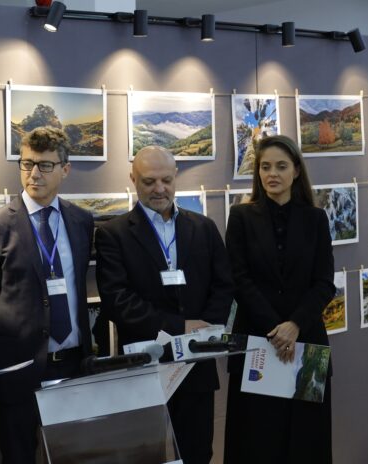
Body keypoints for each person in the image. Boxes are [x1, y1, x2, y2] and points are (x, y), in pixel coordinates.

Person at [95, 145, 233, 464]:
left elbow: (224, 285)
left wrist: (205, 331)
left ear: (175, 177)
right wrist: (179, 327)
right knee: (146, 455)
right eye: (149, 181)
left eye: (166, 180)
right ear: (133, 179)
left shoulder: (204, 228)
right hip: (145, 363)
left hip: (196, 363)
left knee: (198, 453)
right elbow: (117, 301)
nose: (159, 189)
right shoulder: (113, 234)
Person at [0, 126, 94, 464]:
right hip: (19, 367)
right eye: (27, 164)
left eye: (45, 165)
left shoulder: (81, 221)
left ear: (65, 169)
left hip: (73, 364)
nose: (34, 173)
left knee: (74, 455)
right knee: (19, 456)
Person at [223, 135, 335, 464]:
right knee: (256, 443)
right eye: (265, 167)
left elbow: (324, 283)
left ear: (296, 171)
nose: (272, 174)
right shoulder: (240, 217)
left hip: (306, 343)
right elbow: (238, 280)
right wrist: (277, 329)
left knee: (306, 443)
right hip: (257, 343)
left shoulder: (316, 219)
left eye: (281, 166)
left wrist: (295, 325)